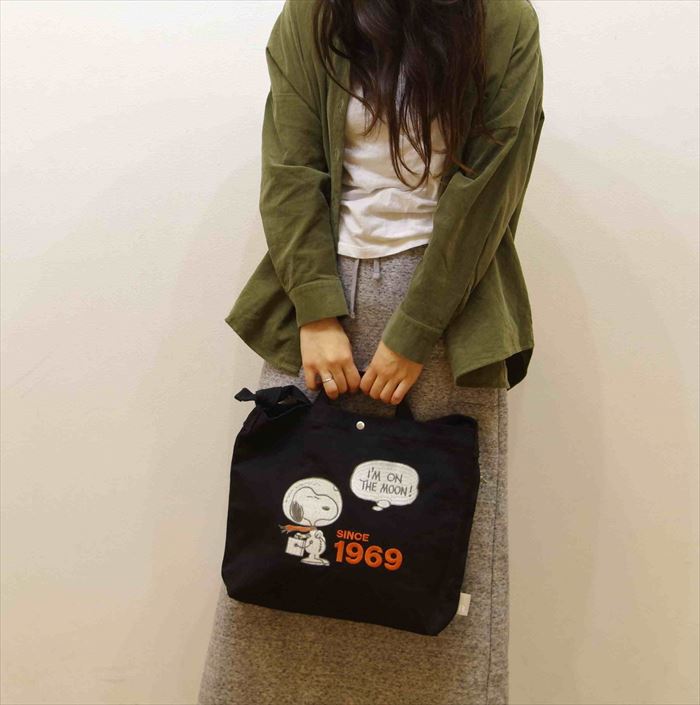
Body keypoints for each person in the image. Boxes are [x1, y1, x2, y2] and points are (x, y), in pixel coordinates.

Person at [199, 0, 545, 702]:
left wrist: (415, 331)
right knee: (293, 532)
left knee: (436, 545)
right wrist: (316, 310)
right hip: (320, 304)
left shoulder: (503, 17)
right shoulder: (314, 12)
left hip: (450, 308)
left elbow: (492, 189)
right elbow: (289, 166)